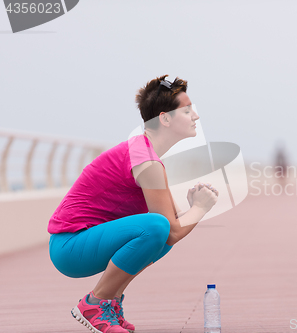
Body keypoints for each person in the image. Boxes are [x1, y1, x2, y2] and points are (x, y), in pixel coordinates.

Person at [48, 75, 219, 333]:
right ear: (165, 119)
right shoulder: (146, 162)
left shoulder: (147, 155)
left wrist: (194, 208)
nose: (195, 116)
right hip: (69, 247)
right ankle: (94, 303)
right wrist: (200, 208)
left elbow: (170, 229)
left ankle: (111, 302)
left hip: (81, 244)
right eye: (186, 110)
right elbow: (170, 228)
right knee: (156, 228)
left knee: (159, 237)